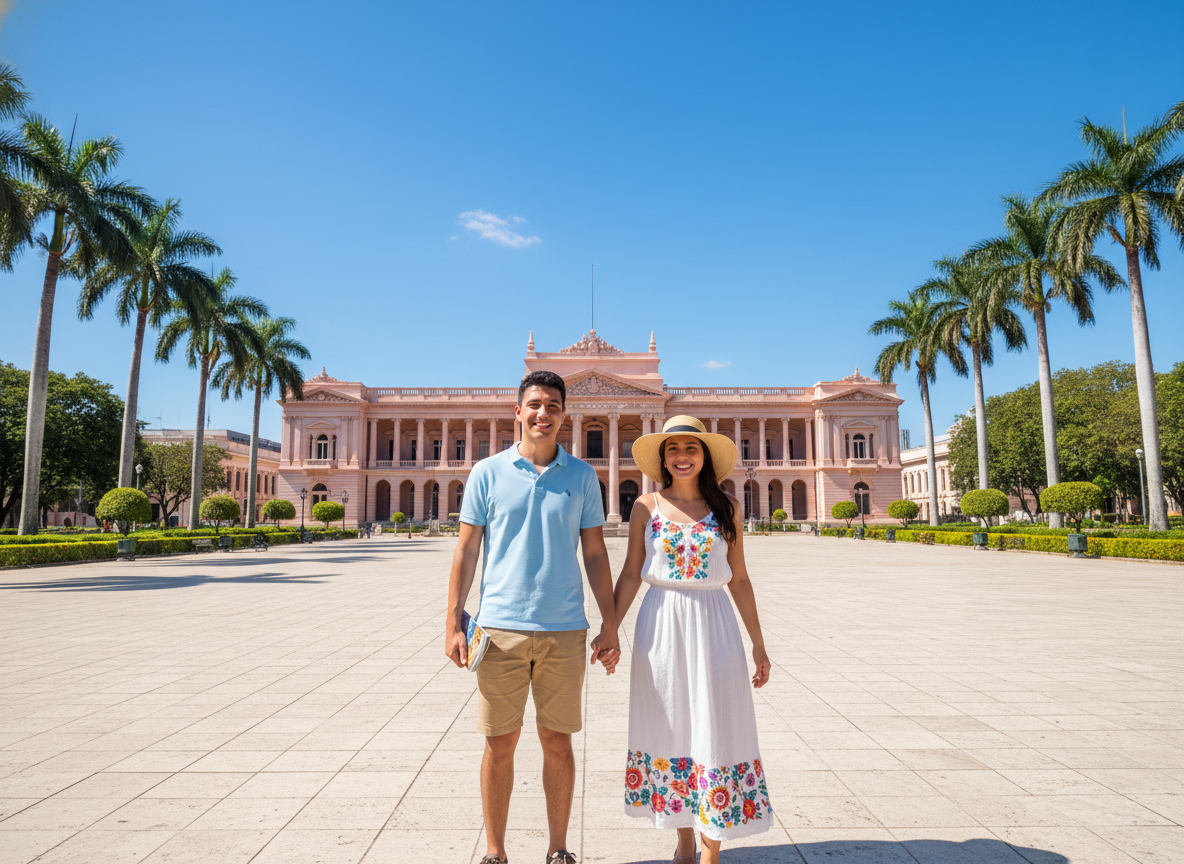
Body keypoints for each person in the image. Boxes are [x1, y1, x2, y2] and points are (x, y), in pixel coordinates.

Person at [445, 370, 620, 864]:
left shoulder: (582, 477)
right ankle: (495, 852)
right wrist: (452, 622)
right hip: (498, 629)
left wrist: (609, 624)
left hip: (564, 629)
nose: (544, 413)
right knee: (499, 743)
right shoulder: (486, 473)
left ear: (564, 415)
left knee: (557, 743)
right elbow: (466, 550)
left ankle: (558, 849)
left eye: (553, 406)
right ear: (518, 411)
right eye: (536, 404)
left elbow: (595, 553)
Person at [609, 415, 773, 864]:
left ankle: (711, 847)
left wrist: (758, 643)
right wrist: (610, 628)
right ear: (663, 460)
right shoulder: (645, 506)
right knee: (669, 727)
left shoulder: (728, 508)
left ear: (705, 457)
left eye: (691, 448)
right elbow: (630, 573)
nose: (682, 456)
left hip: (714, 622)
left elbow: (739, 579)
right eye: (673, 449)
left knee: (716, 724)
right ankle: (683, 838)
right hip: (660, 625)